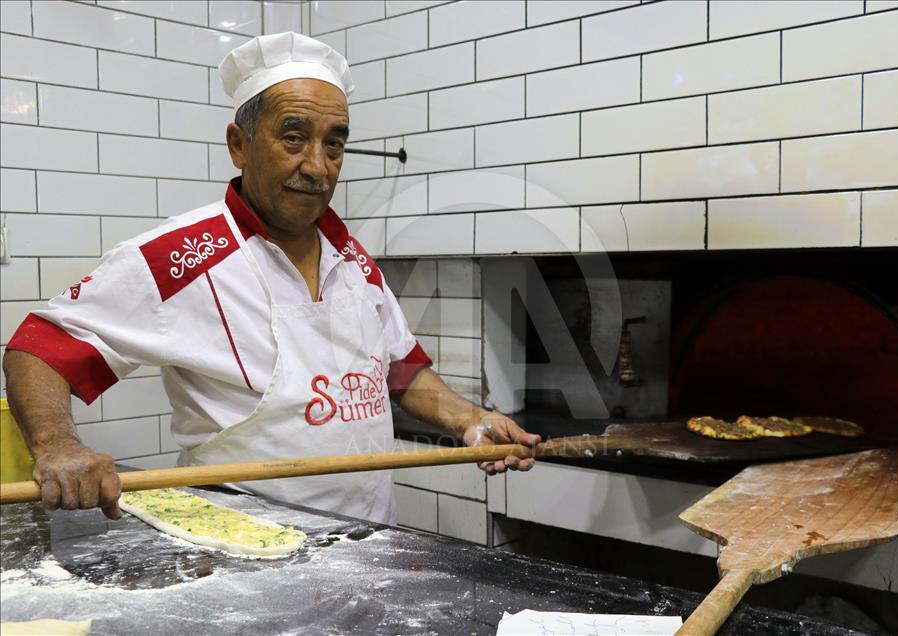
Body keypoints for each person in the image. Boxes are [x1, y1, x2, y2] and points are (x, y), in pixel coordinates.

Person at [1, 32, 539, 524]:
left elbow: (400, 370)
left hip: (371, 546)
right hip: (241, 553)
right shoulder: (184, 255)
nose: (318, 166)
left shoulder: (351, 258)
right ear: (240, 143)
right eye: (294, 139)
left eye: (334, 144)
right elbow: (40, 348)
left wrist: (472, 419)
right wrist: (57, 446)